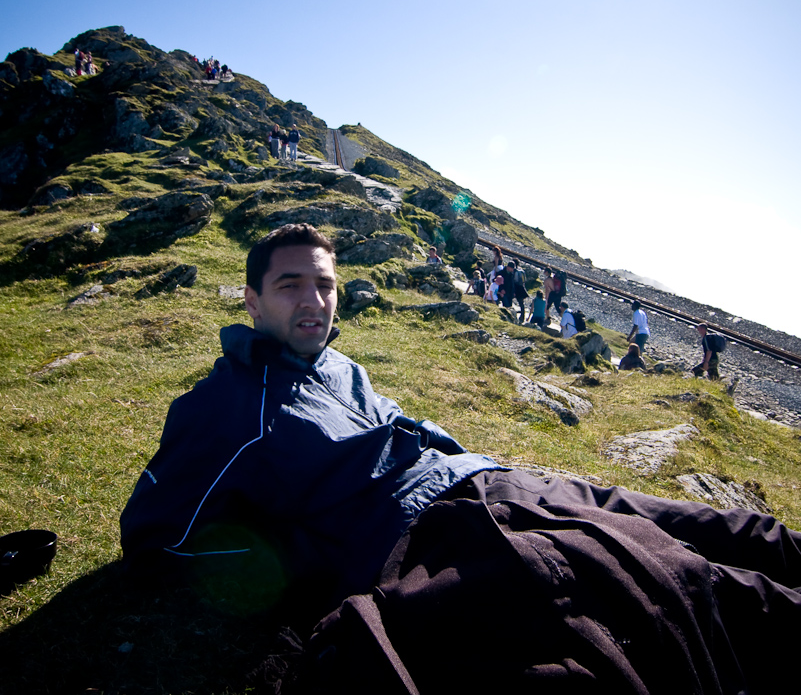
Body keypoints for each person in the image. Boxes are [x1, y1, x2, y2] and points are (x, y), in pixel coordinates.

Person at [120, 225, 801, 691]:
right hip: (441, 525)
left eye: (324, 284)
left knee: (725, 527)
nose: (314, 301)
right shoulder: (226, 404)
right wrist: (298, 555)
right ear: (251, 299)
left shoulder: (338, 363)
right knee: (691, 580)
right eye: (291, 284)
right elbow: (155, 536)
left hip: (493, 475)